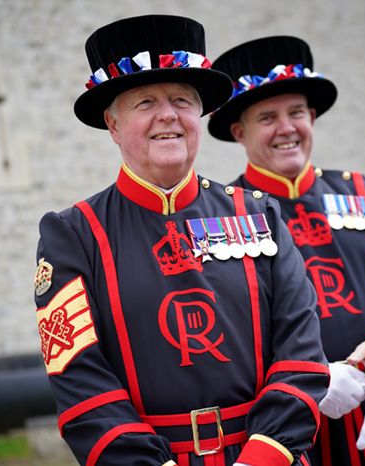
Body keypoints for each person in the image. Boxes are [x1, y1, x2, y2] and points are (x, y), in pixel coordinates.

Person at [33, 17, 329, 466]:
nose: (167, 115)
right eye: (145, 101)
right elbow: (78, 376)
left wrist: (261, 458)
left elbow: (301, 347)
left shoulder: (260, 213)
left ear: (200, 115)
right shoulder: (73, 235)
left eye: (182, 100)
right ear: (113, 125)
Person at [207, 36, 365, 466]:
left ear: (312, 117)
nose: (287, 128)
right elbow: (220, 337)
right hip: (288, 432)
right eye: (267, 117)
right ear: (239, 132)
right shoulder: (219, 218)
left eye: (296, 112)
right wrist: (310, 376)